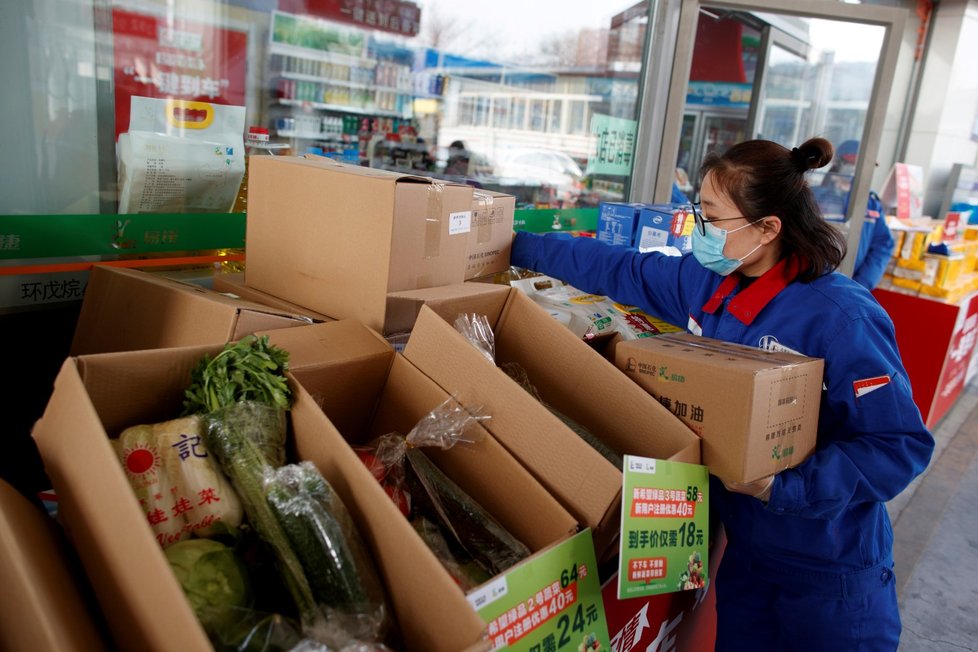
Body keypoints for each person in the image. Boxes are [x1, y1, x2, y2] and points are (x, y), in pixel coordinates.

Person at [511, 138, 935, 651]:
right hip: (747, 560)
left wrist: (785, 487)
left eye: (712, 218)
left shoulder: (841, 318)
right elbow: (616, 267)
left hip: (831, 574)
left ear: (767, 228)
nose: (699, 232)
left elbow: (900, 445)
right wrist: (514, 243)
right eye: (698, 212)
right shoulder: (706, 283)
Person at [812, 139, 895, 290]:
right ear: (840, 164)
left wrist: (862, 283)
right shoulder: (815, 196)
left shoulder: (870, 203)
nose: (860, 172)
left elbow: (883, 244)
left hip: (851, 285)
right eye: (854, 165)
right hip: (812, 281)